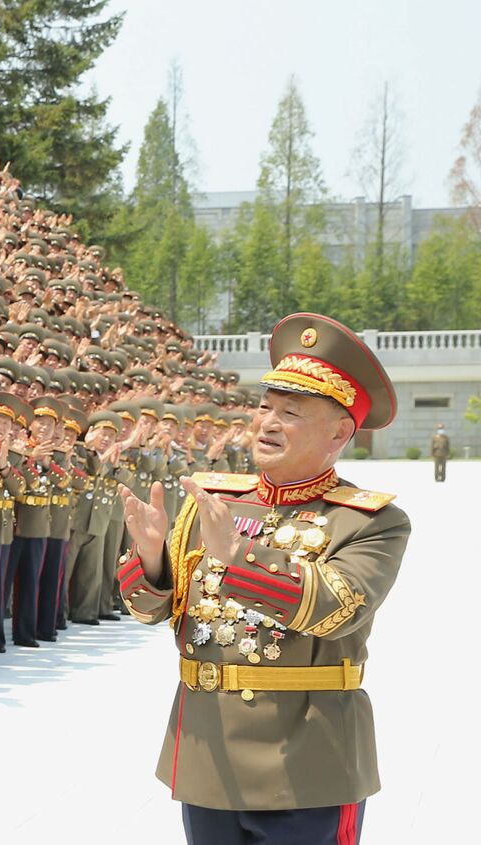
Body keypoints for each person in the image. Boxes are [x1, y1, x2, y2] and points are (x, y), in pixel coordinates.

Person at [118, 313, 406, 845]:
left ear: (340, 432)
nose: (267, 424)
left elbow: (338, 608)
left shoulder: (371, 522)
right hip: (209, 752)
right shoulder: (214, 501)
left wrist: (239, 557)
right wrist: (153, 555)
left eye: (290, 413)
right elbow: (149, 609)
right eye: (264, 408)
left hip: (309, 760)